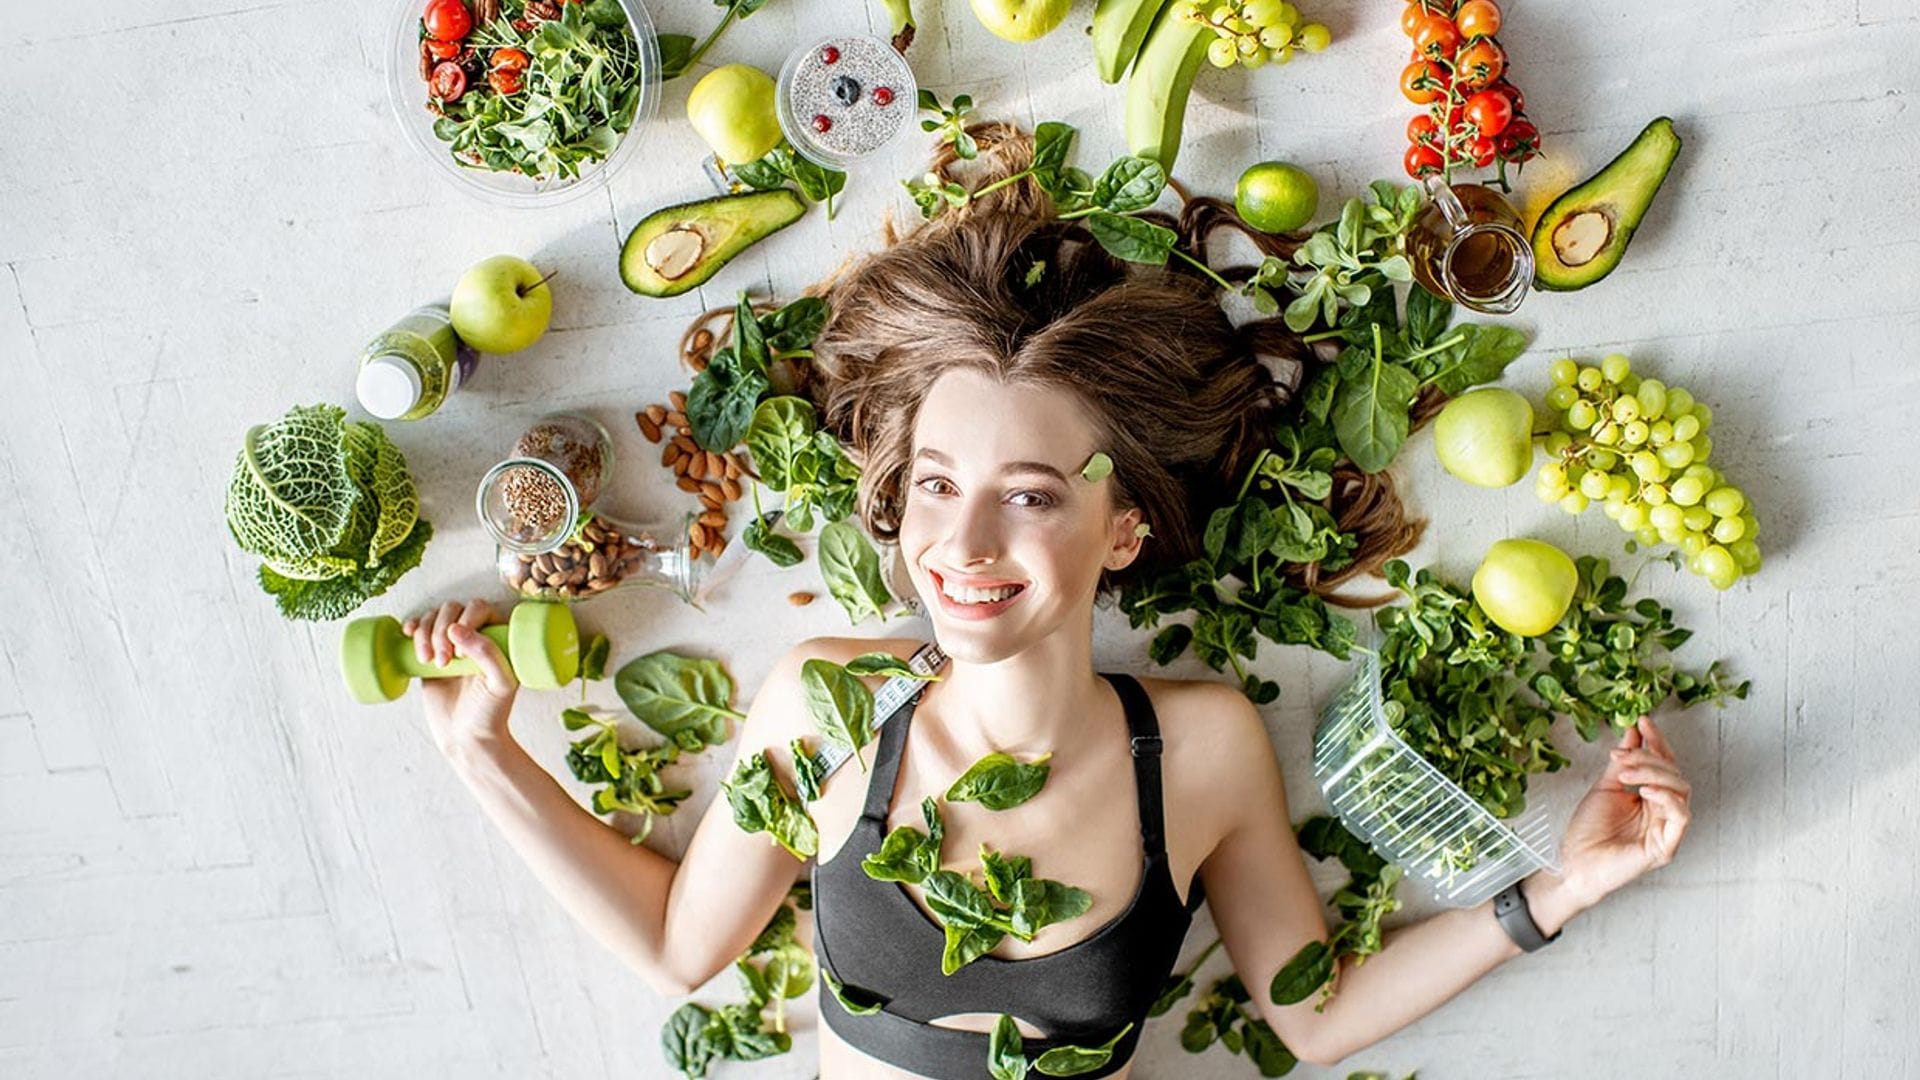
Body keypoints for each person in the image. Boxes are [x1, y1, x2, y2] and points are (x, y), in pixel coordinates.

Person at [402, 128, 1693, 1079]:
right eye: (937, 485)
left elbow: (1313, 1014)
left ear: (1121, 526)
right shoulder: (827, 702)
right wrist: (485, 755)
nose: (962, 540)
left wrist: (1560, 892)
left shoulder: (1199, 748)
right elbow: (685, 952)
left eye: (1030, 495)